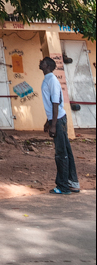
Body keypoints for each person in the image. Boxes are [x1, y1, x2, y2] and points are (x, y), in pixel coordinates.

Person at [40, 56, 80, 195]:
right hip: (56, 119)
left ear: (48, 66)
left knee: (61, 154)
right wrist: (48, 121)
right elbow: (50, 103)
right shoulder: (48, 79)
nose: (41, 63)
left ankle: (63, 187)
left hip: (58, 120)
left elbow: (55, 103)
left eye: (43, 62)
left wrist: (53, 125)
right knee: (66, 151)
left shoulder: (52, 80)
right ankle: (72, 183)